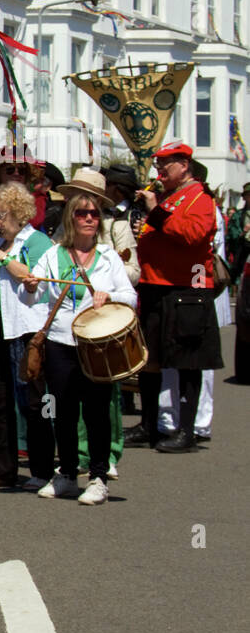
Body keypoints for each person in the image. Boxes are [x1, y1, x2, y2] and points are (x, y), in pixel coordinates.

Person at [21, 190, 137, 504]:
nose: (88, 219)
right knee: (64, 411)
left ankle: (98, 476)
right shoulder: (53, 254)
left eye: (94, 214)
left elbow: (130, 297)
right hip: (60, 342)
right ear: (71, 218)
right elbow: (33, 296)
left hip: (95, 345)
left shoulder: (109, 256)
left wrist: (108, 296)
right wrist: (30, 286)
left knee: (97, 411)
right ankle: (69, 473)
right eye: (81, 213)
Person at [126, 142, 222, 453]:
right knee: (149, 361)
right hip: (156, 286)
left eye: (166, 164)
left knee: (187, 362)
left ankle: (186, 431)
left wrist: (155, 210)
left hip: (185, 289)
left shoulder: (200, 198)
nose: (160, 171)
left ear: (184, 165)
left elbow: (192, 235)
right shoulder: (172, 197)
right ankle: (150, 424)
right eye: (158, 165)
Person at [0, 181, 55, 490]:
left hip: (23, 327)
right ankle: (3, 467)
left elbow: (34, 279)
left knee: (32, 400)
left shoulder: (35, 241)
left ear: (17, 212)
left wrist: (2, 257)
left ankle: (41, 469)